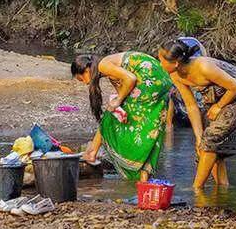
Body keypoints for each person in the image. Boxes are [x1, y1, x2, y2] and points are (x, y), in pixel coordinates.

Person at [158, 40, 236, 188]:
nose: (159, 64)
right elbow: (191, 105)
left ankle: (196, 188)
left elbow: (235, 87)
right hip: (213, 96)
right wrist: (197, 135)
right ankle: (223, 187)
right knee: (205, 143)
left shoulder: (204, 67)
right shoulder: (175, 75)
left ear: (176, 63)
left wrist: (219, 106)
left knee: (211, 138)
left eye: (161, 60)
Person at [71, 52, 172, 182]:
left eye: (81, 78)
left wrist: (117, 101)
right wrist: (120, 108)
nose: (85, 83)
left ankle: (91, 153)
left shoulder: (103, 65)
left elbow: (131, 79)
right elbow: (123, 91)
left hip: (149, 80)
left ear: (86, 69)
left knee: (109, 116)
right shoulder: (109, 71)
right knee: (151, 129)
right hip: (163, 80)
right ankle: (144, 177)